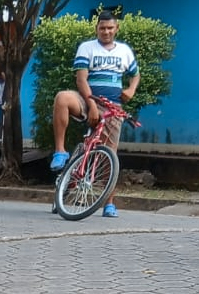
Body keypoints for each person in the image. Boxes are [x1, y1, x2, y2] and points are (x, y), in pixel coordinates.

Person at [49, 7, 138, 218]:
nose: (105, 32)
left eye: (109, 28)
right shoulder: (87, 47)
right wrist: (90, 105)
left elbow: (135, 75)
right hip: (88, 99)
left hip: (113, 106)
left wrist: (131, 90)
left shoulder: (124, 51)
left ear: (116, 28)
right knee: (62, 98)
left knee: (110, 156)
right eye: (102, 28)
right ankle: (60, 152)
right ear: (96, 28)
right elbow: (81, 79)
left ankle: (109, 204)